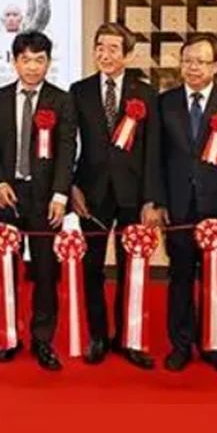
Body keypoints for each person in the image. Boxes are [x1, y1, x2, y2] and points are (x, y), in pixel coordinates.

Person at [70, 23, 163, 369]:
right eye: (100, 47)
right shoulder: (79, 91)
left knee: (131, 267)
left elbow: (153, 151)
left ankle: (129, 337)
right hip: (91, 193)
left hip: (132, 194)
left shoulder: (146, 93)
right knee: (91, 267)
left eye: (113, 48)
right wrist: (72, 187)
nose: (104, 54)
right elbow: (68, 145)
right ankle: (97, 335)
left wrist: (151, 199)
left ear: (128, 54)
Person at [0, 30, 76, 371]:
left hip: (46, 198)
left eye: (39, 60)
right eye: (26, 60)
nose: (33, 67)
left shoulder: (61, 100)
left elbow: (67, 150)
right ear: (14, 62)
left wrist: (60, 195)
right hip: (7, 196)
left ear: (48, 62)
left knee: (46, 272)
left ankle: (42, 339)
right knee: (6, 269)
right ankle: (8, 336)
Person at [158, 33, 217, 376]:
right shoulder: (165, 103)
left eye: (200, 61)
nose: (193, 67)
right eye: (187, 61)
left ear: (216, 66)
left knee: (214, 280)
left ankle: (214, 346)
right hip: (179, 208)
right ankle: (180, 345)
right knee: (180, 278)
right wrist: (159, 202)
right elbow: (156, 158)